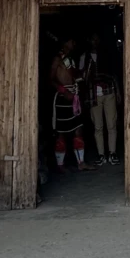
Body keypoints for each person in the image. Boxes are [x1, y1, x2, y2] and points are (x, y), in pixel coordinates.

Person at [79, 31, 121, 166]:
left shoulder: (107, 56)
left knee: (111, 124)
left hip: (109, 92)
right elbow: (82, 78)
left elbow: (114, 75)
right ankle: (101, 154)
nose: (95, 43)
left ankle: (112, 153)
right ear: (89, 41)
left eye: (97, 40)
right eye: (93, 40)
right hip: (93, 95)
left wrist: (118, 92)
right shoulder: (84, 57)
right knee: (98, 126)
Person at [50, 38, 86, 172]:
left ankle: (81, 163)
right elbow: (51, 79)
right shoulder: (57, 59)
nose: (74, 43)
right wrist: (63, 91)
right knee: (61, 132)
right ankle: (60, 165)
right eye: (71, 41)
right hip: (62, 98)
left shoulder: (71, 59)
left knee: (78, 128)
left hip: (74, 97)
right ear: (65, 42)